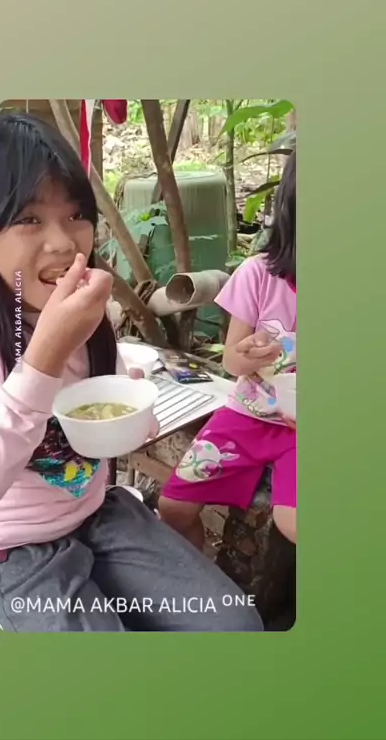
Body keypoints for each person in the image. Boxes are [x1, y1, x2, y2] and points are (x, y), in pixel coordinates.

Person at [0, 111, 263, 632]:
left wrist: (133, 417)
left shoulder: (91, 317)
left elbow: (109, 409)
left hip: (100, 514)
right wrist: (44, 354)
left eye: (76, 215)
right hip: (12, 547)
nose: (64, 243)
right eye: (29, 219)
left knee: (233, 626)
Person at [159, 151, 297, 549]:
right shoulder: (258, 275)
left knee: (293, 523)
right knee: (172, 508)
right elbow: (232, 361)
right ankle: (198, 580)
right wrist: (248, 352)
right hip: (246, 417)